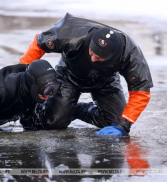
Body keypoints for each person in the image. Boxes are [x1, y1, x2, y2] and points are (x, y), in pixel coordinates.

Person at [19, 13, 153, 136]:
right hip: (69, 75)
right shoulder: (70, 33)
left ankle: (77, 110)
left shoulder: (130, 55)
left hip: (106, 80)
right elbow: (39, 43)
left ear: (113, 56)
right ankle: (52, 107)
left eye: (99, 57)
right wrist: (21, 75)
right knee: (52, 123)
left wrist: (123, 125)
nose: (93, 59)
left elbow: (141, 92)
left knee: (115, 122)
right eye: (92, 53)